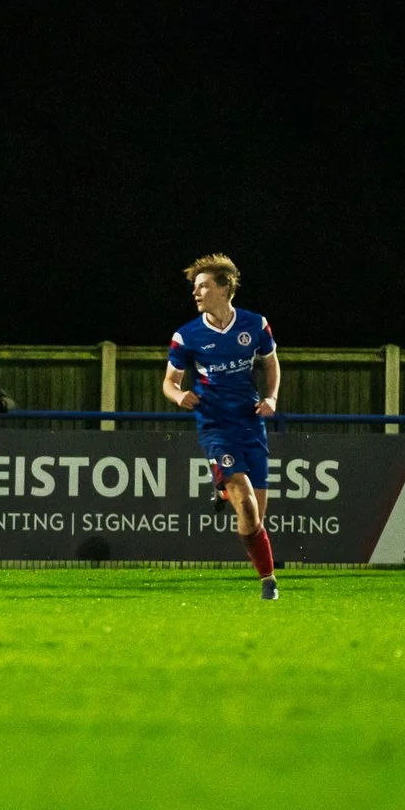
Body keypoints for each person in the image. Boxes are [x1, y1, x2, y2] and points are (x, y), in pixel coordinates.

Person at [163, 252, 283, 600]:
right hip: (215, 426)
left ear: (224, 288)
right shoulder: (187, 336)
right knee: (244, 504)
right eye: (195, 287)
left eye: (203, 286)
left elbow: (272, 365)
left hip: (250, 424)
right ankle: (269, 581)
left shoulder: (255, 325)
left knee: (256, 514)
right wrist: (178, 396)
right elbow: (169, 382)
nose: (196, 293)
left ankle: (221, 488)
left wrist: (272, 397)